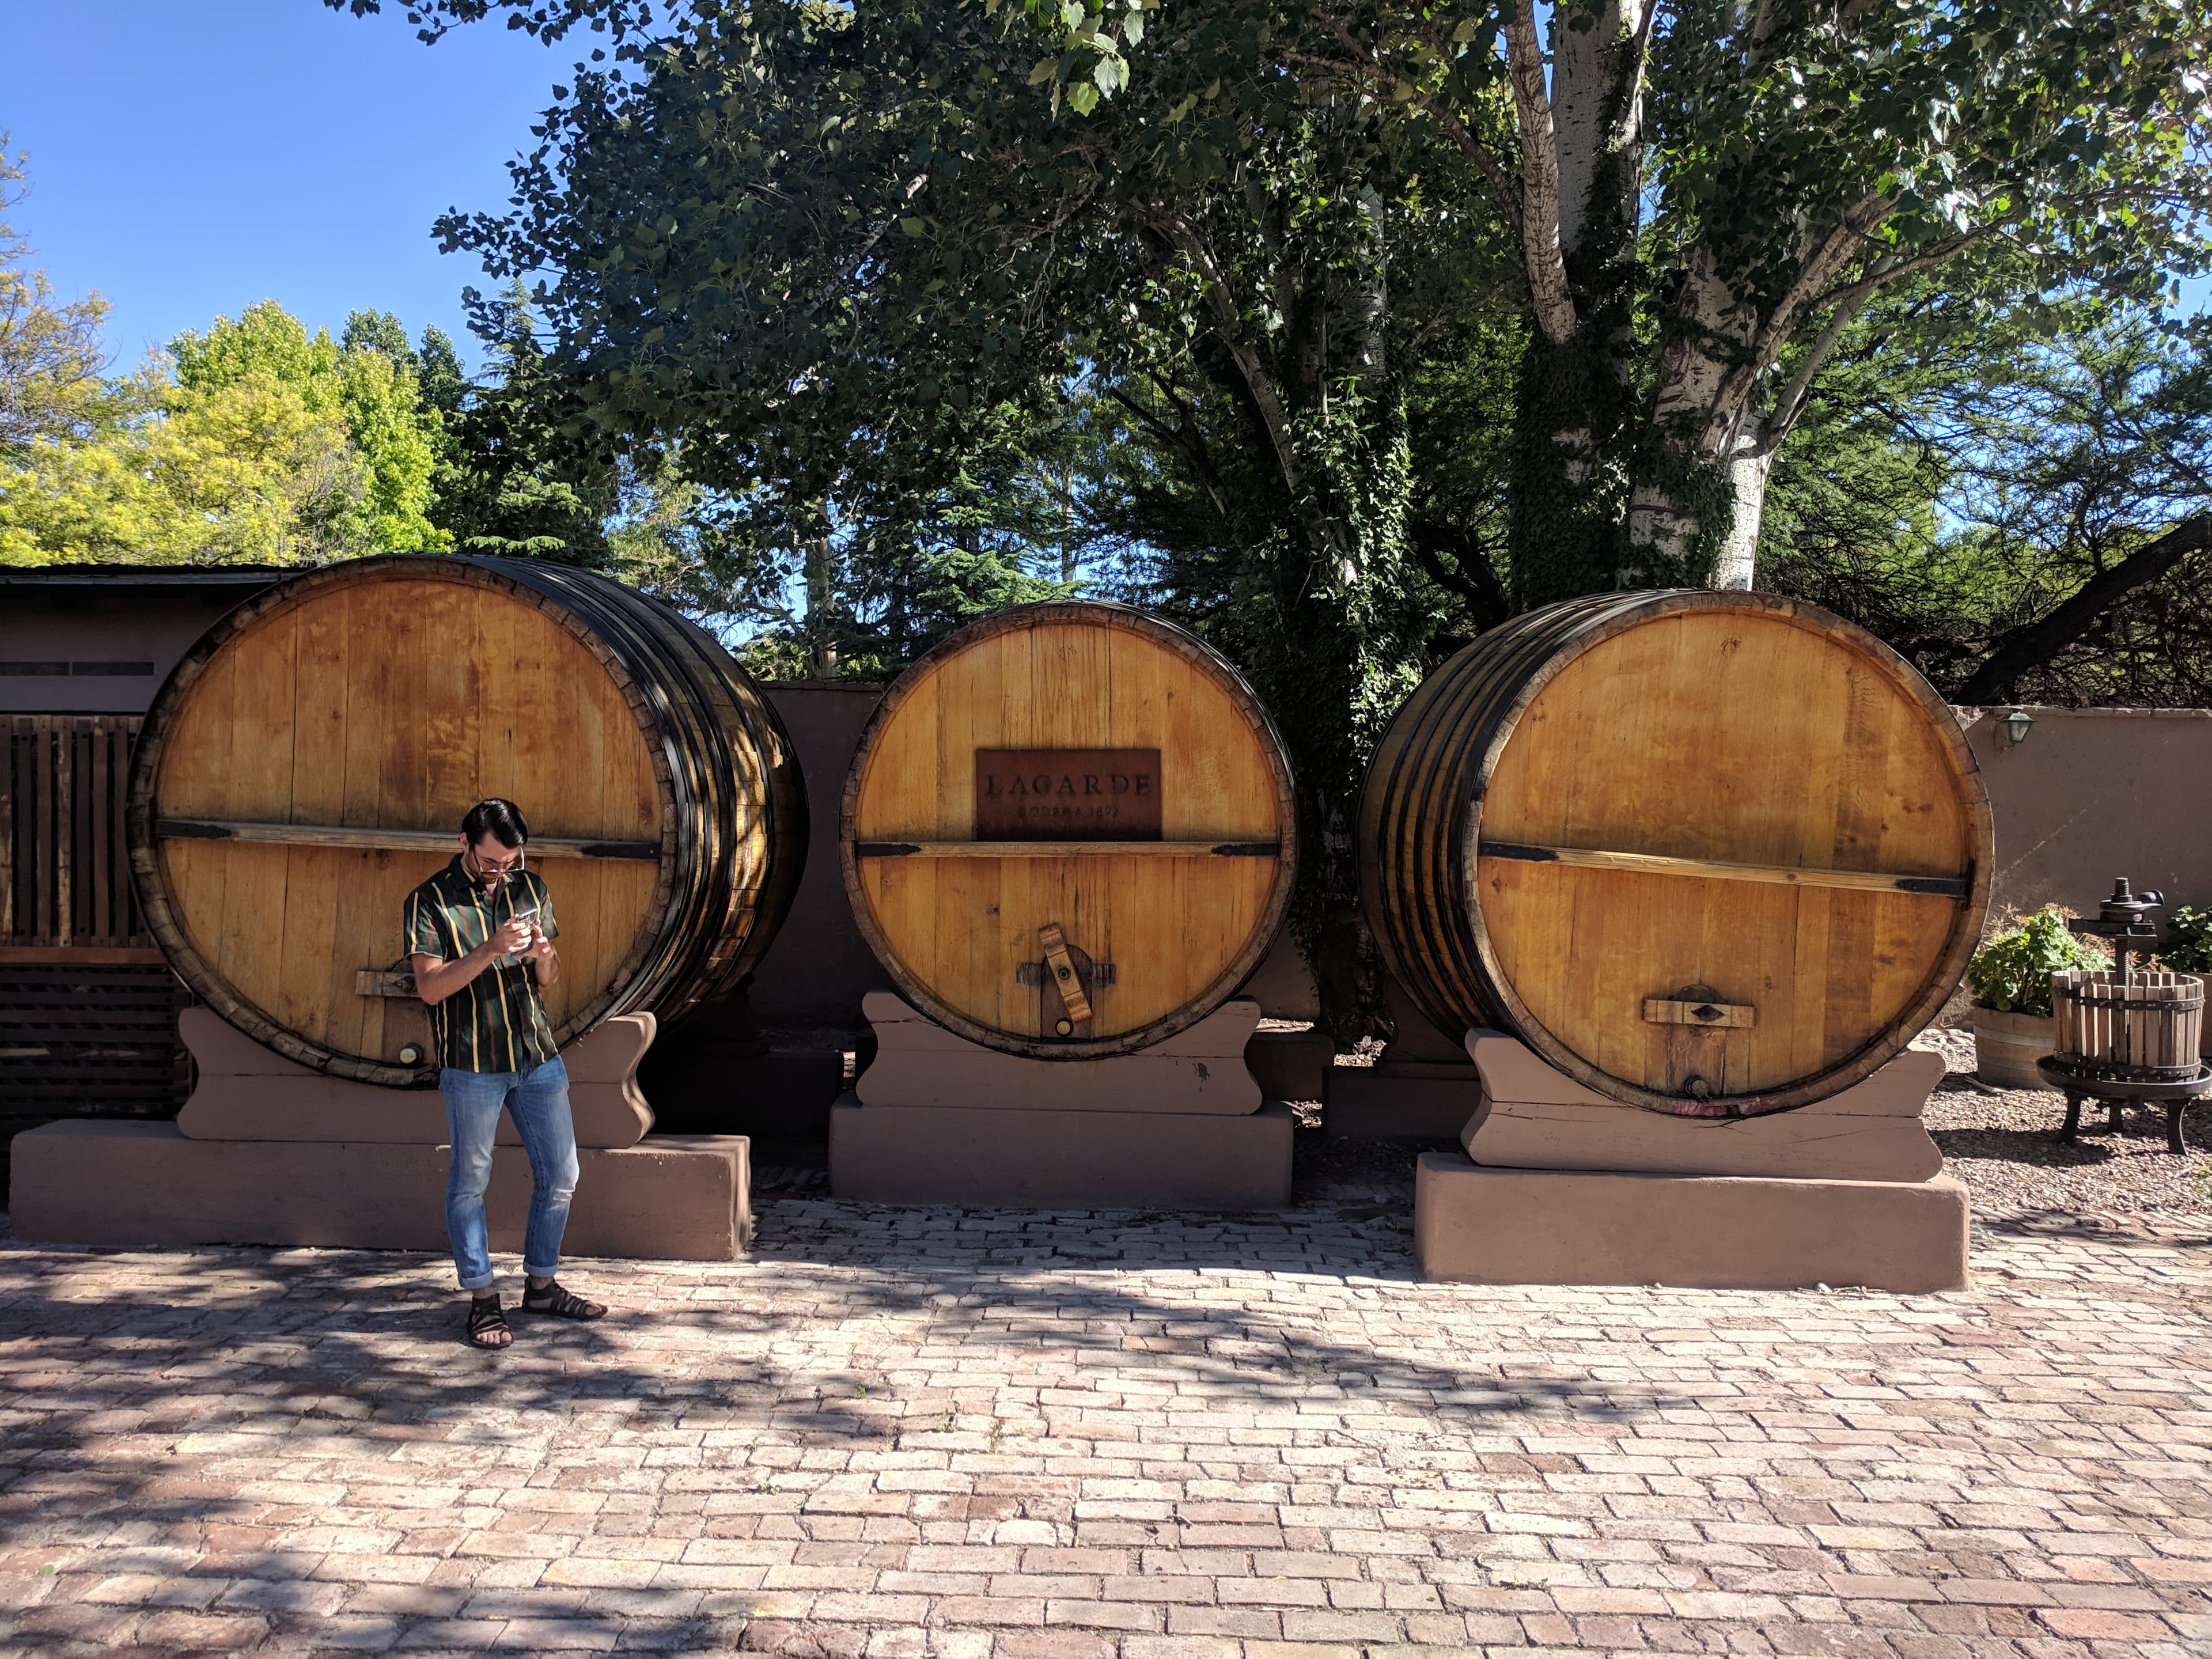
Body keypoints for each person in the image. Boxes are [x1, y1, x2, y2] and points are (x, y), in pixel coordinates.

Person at [406, 798, 607, 1349]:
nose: (502, 873)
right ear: (465, 844)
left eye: (511, 862)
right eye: (492, 862)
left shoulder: (530, 888)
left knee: (563, 1174)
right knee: (470, 1182)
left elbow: (550, 978)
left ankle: (541, 1285)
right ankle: (482, 1298)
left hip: (537, 1054)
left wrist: (543, 953)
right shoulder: (430, 901)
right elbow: (430, 988)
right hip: (473, 1062)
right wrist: (491, 949)